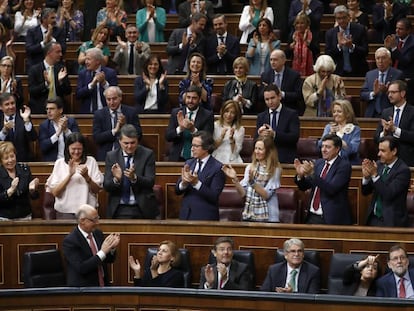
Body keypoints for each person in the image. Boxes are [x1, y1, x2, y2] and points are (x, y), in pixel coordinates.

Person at [294, 133, 353, 225]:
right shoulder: (319, 163)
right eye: (322, 146)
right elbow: (304, 186)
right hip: (312, 216)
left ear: (337, 149)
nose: (323, 150)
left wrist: (312, 173)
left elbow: (331, 189)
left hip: (331, 218)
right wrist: (300, 176)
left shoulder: (344, 166)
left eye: (328, 147)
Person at [104, 124, 159, 219]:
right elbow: (107, 186)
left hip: (141, 207)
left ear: (137, 140)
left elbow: (150, 182)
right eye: (126, 143)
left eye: (133, 143)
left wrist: (135, 178)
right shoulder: (111, 156)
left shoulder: (147, 154)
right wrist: (116, 179)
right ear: (120, 141)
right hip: (119, 208)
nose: (129, 146)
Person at [222, 136, 281, 222]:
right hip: (250, 214)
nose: (256, 151)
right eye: (255, 148)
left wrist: (253, 183)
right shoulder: (250, 167)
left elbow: (266, 195)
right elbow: (243, 194)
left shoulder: (275, 169)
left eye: (260, 149)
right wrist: (235, 179)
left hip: (269, 217)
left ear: (268, 151)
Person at [46, 132, 103, 219]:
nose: (76, 152)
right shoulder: (60, 163)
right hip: (65, 212)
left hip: (87, 213)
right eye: (73, 149)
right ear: (67, 148)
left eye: (79, 149)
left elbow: (96, 190)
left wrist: (87, 177)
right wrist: (70, 175)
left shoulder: (91, 161)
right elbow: (55, 192)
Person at [62, 204, 120, 287]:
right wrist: (103, 252)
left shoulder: (97, 233)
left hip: (103, 285)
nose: (97, 223)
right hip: (83, 289)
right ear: (82, 221)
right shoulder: (70, 241)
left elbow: (108, 260)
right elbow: (82, 268)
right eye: (94, 220)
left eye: (98, 218)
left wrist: (112, 248)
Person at [176, 130, 225, 220]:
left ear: (206, 148)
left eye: (196, 146)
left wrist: (196, 183)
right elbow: (177, 190)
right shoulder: (189, 163)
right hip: (186, 214)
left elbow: (214, 196)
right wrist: (183, 183)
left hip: (205, 217)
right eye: (192, 145)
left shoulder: (218, 168)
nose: (192, 149)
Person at [362, 136, 410, 227]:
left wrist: (375, 175)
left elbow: (388, 194)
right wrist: (366, 178)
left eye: (383, 151)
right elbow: (365, 192)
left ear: (394, 151)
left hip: (391, 221)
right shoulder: (379, 165)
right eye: (379, 150)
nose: (379, 154)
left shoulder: (403, 171)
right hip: (373, 219)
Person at [165, 85, 214, 161]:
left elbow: (208, 140)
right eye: (188, 97)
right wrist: (180, 128)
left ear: (200, 99)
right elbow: (168, 137)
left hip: (198, 158)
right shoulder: (176, 112)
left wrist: (193, 130)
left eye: (194, 98)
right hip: (177, 157)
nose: (190, 101)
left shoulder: (207, 115)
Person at [93, 86, 142, 161]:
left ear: (120, 98)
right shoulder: (99, 114)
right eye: (108, 99)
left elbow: (139, 135)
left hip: (129, 152)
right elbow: (97, 138)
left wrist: (126, 125)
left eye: (114, 99)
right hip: (107, 152)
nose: (111, 102)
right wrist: (114, 131)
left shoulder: (131, 112)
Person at [374, 80, 414, 167]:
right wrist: (384, 133)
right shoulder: (386, 112)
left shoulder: (412, 112)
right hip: (387, 158)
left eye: (393, 92)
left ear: (403, 93)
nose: (389, 95)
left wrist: (395, 130)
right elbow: (376, 138)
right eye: (388, 92)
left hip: (407, 158)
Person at [256, 84, 300, 164]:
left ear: (279, 96)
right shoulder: (261, 116)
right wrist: (260, 135)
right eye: (267, 99)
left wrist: (274, 134)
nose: (270, 102)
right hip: (265, 159)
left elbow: (294, 137)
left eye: (272, 98)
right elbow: (255, 141)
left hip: (285, 158)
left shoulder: (291, 114)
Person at [28, 42, 72, 114]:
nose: (61, 54)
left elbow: (68, 91)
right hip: (40, 108)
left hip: (58, 109)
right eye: (58, 52)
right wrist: (46, 84)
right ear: (49, 53)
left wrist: (60, 82)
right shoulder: (35, 69)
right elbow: (32, 91)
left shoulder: (61, 69)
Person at [325, 5, 368, 77]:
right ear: (335, 19)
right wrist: (339, 46)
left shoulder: (360, 29)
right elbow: (328, 54)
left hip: (358, 71)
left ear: (348, 17)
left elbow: (365, 51)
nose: (342, 21)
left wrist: (352, 46)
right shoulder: (330, 33)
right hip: (338, 72)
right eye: (339, 18)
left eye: (344, 18)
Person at [0, 141, 39, 221]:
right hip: (5, 218)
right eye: (6, 158)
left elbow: (35, 197)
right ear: (1, 161)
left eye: (12, 156)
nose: (10, 160)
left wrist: (32, 191)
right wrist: (10, 191)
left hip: (25, 216)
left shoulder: (24, 169)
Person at [360, 47, 403, 118]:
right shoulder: (370, 75)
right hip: (372, 113)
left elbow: (401, 96)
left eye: (383, 58)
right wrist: (373, 93)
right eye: (378, 58)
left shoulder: (397, 74)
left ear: (389, 60)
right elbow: (362, 95)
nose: (380, 61)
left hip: (390, 113)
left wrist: (387, 92)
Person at [261, 49, 304, 116]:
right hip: (270, 111)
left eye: (275, 60)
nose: (272, 62)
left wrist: (282, 94)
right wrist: (266, 90)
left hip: (289, 110)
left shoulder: (294, 75)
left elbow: (298, 95)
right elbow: (260, 95)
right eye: (271, 60)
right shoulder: (265, 75)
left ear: (283, 61)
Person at [76, 47, 118, 113]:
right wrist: (91, 85)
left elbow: (116, 94)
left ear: (97, 61)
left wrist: (104, 83)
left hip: (106, 113)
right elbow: (78, 95)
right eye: (86, 59)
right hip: (87, 113)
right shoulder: (83, 74)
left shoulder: (110, 73)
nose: (86, 62)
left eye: (88, 59)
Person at [317, 100, 360, 164]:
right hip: (329, 162)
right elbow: (320, 145)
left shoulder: (355, 129)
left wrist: (337, 139)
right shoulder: (329, 127)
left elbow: (354, 149)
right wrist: (329, 135)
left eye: (339, 112)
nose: (336, 114)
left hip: (348, 163)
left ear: (347, 113)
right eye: (334, 112)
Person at [39, 97, 80, 161]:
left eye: (52, 109)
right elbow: (43, 147)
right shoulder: (44, 125)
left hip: (70, 161)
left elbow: (78, 141)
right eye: (47, 109)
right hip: (52, 163)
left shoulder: (71, 122)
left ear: (60, 110)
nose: (48, 111)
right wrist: (57, 134)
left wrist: (66, 130)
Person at [0, 93, 37, 162]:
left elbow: (33, 138)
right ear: (1, 107)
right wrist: (4, 131)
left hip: (24, 160)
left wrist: (27, 122)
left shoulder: (23, 116)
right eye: (7, 104)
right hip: (3, 161)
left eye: (12, 103)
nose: (11, 107)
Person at [384, 18, 414, 103]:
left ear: (408, 31)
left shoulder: (412, 43)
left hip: (407, 78)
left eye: (400, 29)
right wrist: (387, 49)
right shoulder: (395, 40)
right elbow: (389, 60)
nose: (397, 31)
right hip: (393, 75)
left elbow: (406, 61)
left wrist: (393, 48)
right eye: (396, 28)